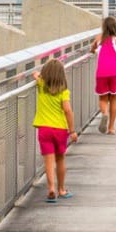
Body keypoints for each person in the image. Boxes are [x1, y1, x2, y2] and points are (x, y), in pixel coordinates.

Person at [32, 59, 78, 201]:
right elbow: (67, 110)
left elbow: (35, 74)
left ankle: (51, 188)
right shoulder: (64, 90)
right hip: (60, 129)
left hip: (44, 129)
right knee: (60, 159)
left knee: (49, 160)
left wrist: (39, 75)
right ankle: (61, 189)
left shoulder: (41, 84)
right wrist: (72, 130)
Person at [91, 16, 116, 134]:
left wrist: (92, 50)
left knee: (103, 98)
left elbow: (92, 49)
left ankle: (105, 113)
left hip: (102, 72)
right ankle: (111, 127)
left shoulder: (99, 39)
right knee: (114, 99)